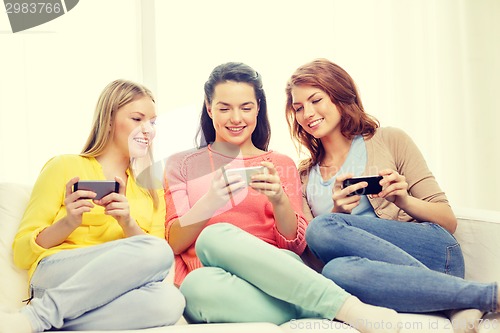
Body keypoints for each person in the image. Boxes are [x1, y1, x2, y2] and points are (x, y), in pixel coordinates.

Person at [164, 62, 401, 333]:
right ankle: (317, 304)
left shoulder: (281, 163)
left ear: (258, 109)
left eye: (246, 107)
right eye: (224, 108)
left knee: (214, 235)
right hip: (214, 280)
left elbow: (295, 244)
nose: (236, 118)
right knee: (195, 284)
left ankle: (348, 308)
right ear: (209, 108)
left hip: (281, 270)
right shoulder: (181, 164)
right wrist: (210, 202)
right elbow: (173, 241)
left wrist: (279, 200)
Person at [285, 58, 499, 332]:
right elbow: (314, 257)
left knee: (321, 226)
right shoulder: (303, 176)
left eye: (316, 100)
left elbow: (447, 219)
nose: (307, 113)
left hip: (434, 254)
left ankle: (471, 294)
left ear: (339, 96)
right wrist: (338, 213)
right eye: (298, 107)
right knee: (333, 271)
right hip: (384, 276)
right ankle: (463, 297)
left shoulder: (390, 140)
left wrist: (403, 200)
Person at [1, 79, 185, 333]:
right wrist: (68, 222)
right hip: (56, 274)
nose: (148, 130)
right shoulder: (63, 166)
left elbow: (157, 265)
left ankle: (40, 319)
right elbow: (22, 253)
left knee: (170, 301)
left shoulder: (151, 189)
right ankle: (40, 315)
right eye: (137, 119)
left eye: (152, 123)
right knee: (158, 251)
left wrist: (127, 223)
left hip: (108, 291)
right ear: (109, 120)